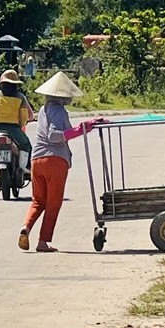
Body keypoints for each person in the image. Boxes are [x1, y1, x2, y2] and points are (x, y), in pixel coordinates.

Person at [20, 71, 104, 252]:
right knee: (53, 203)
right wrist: (83, 129)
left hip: (37, 160)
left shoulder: (43, 110)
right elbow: (55, 135)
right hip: (55, 160)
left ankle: (26, 227)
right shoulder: (59, 111)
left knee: (37, 201)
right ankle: (43, 241)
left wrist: (80, 127)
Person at [0, 68, 35, 182]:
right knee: (26, 145)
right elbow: (24, 116)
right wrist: (20, 126)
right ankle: (23, 167)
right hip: (14, 128)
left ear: (2, 84)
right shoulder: (20, 97)